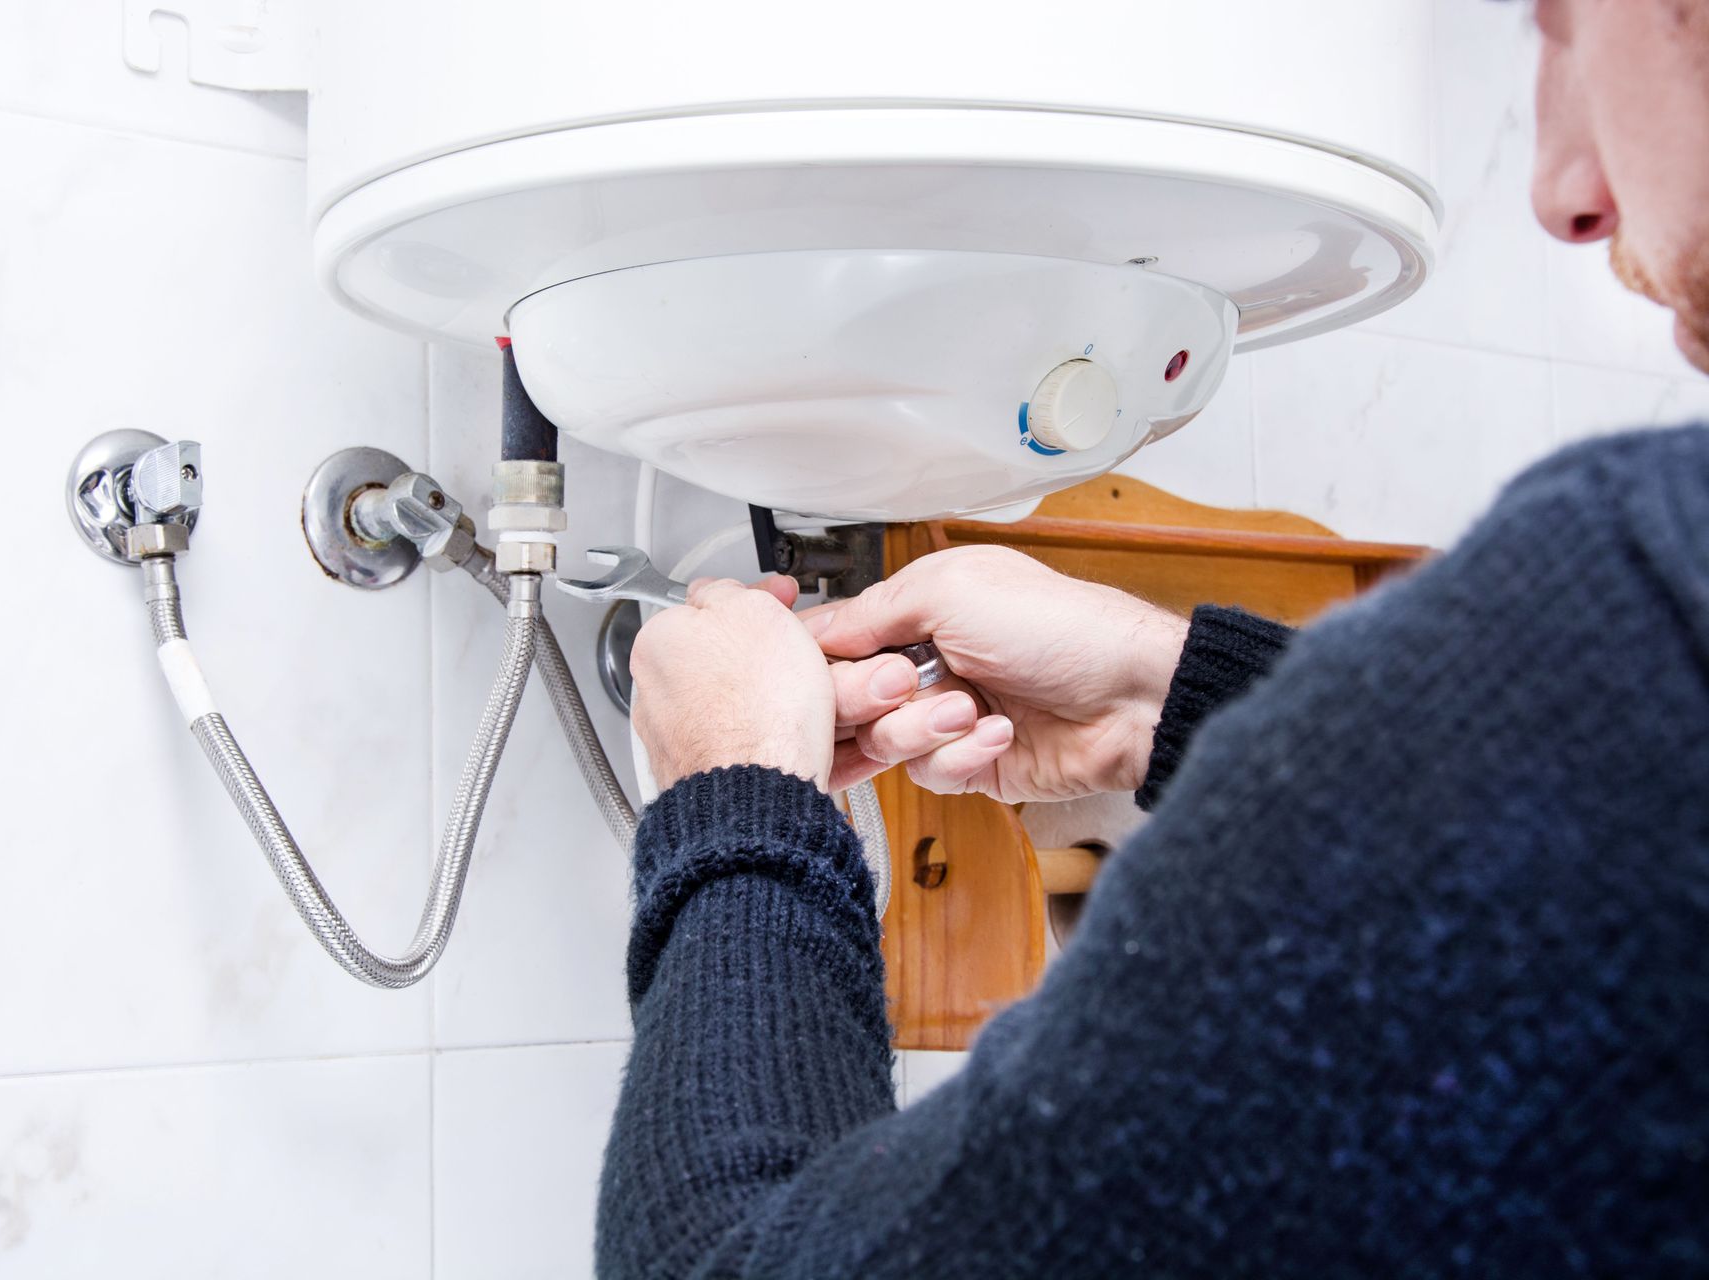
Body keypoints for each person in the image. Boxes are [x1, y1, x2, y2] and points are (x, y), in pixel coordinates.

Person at [597, 1, 1709, 1274]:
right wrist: (1168, 690)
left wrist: (734, 796)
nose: (1561, 186)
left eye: (1567, 25)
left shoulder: (1641, 596)